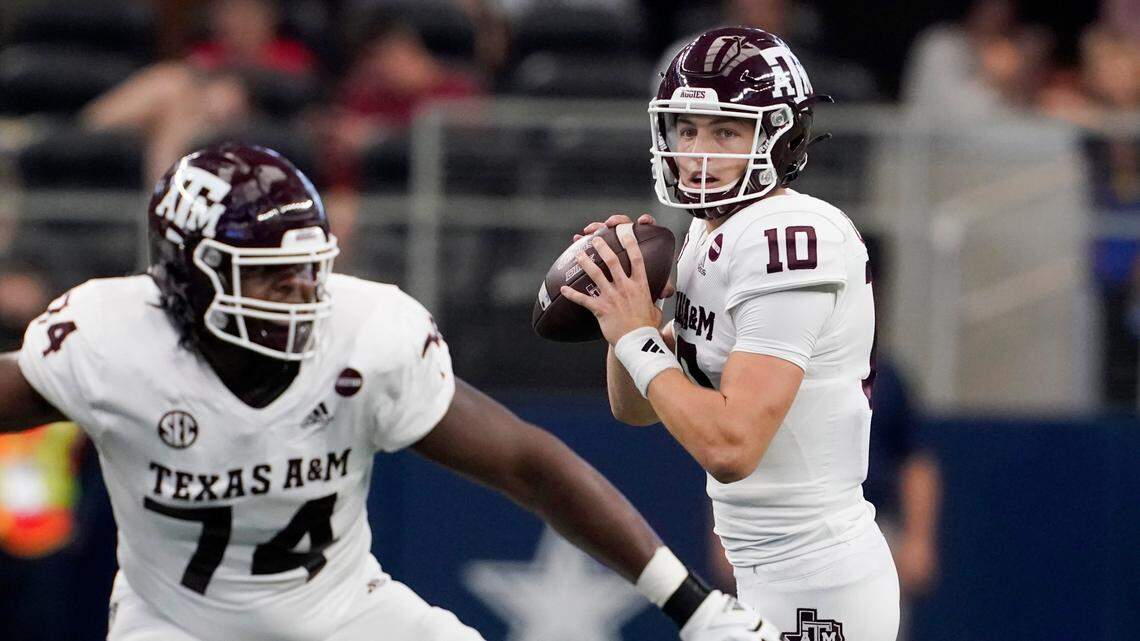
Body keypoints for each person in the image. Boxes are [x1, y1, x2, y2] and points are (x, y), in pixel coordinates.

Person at [0, 143, 779, 641]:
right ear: (183, 280)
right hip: (175, 623)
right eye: (268, 275)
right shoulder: (109, 336)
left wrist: (695, 604)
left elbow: (528, 465)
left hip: (343, 611)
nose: (302, 293)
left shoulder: (366, 332)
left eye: (309, 266)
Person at [561, 27, 899, 639]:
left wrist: (640, 338)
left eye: (726, 131)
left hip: (818, 581)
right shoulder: (706, 234)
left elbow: (732, 447)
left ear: (779, 135)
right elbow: (635, 409)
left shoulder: (791, 236)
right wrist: (626, 319)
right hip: (767, 567)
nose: (699, 152)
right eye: (687, 130)